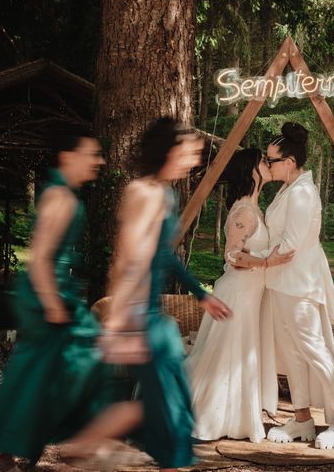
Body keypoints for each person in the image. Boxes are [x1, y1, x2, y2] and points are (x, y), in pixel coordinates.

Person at [97, 117, 231, 471]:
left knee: (172, 407)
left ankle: (94, 446)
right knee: (169, 413)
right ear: (169, 151)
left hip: (153, 316)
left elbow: (163, 255)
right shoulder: (142, 193)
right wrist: (120, 320)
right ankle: (88, 447)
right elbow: (128, 259)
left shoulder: (165, 194)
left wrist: (201, 293)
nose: (193, 160)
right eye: (189, 152)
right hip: (139, 315)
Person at [0, 127, 110, 471]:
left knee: (43, 374)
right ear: (68, 157)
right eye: (92, 154)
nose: (100, 161)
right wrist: (52, 304)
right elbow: (40, 257)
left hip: (56, 294)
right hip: (45, 296)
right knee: (52, 371)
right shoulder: (60, 198)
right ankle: (6, 452)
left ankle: (7, 453)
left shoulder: (66, 193)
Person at [248, 122, 334, 449]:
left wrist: (254, 260)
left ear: (291, 162)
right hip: (282, 283)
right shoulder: (287, 190)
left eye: (271, 160)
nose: (267, 166)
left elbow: (290, 246)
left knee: (314, 350)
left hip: (300, 284)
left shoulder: (302, 194)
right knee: (292, 352)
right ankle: (302, 419)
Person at [186, 148, 294, 442]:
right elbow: (232, 255)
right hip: (236, 293)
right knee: (224, 356)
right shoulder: (244, 211)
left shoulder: (255, 208)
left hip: (251, 293)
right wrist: (267, 262)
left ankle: (234, 419)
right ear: (251, 170)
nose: (268, 164)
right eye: (263, 161)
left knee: (239, 356)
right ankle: (205, 417)